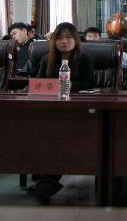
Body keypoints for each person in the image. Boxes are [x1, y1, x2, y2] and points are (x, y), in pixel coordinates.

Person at [25, 22, 95, 204]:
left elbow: (90, 84)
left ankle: (46, 184)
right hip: (50, 110)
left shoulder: (85, 59)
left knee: (63, 138)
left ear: (76, 39)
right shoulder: (46, 59)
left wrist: (65, 86)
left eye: (69, 37)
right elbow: (37, 83)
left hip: (78, 112)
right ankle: (44, 178)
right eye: (60, 38)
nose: (64, 41)